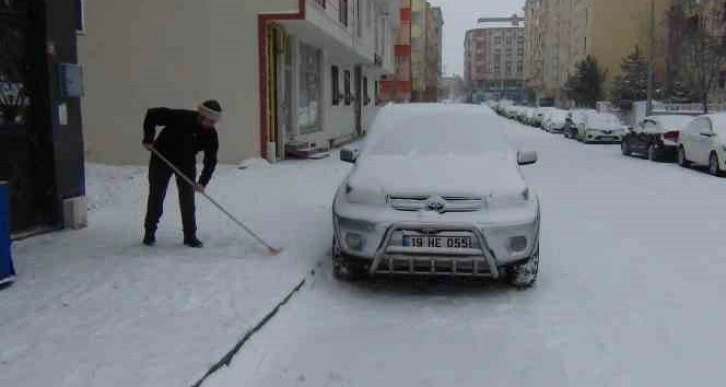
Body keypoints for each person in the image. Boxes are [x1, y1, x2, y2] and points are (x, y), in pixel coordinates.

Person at [141, 100, 222, 248]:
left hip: (186, 161)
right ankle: (149, 233)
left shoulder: (211, 135)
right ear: (201, 115)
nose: (210, 124)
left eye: (213, 122)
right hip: (162, 157)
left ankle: (190, 236)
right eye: (209, 120)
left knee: (187, 199)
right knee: (157, 195)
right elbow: (152, 114)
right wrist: (148, 138)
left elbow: (211, 160)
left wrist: (202, 182)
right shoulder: (181, 116)